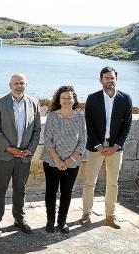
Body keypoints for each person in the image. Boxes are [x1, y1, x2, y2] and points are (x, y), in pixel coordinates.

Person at [0, 73, 41, 236]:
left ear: (26, 85)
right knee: (0, 190)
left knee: (20, 190)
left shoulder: (34, 103)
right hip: (4, 156)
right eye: (16, 83)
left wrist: (30, 150)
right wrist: (9, 148)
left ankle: (19, 219)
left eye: (22, 83)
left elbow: (37, 130)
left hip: (24, 157)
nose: (19, 86)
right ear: (10, 85)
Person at [81, 66, 132, 229]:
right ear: (101, 80)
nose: (110, 80)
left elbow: (127, 124)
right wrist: (98, 145)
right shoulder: (92, 98)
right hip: (95, 147)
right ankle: (86, 214)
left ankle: (110, 216)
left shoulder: (125, 98)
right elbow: (88, 123)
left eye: (112, 78)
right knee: (90, 182)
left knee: (113, 183)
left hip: (115, 148)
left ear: (116, 79)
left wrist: (116, 146)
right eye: (107, 78)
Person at [41, 86, 86, 234]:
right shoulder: (53, 116)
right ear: (59, 100)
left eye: (69, 98)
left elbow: (82, 142)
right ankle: (50, 220)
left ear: (74, 100)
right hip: (52, 162)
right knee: (51, 192)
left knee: (66, 193)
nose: (66, 100)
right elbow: (48, 140)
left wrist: (69, 161)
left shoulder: (80, 117)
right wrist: (58, 161)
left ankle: (62, 221)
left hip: (72, 164)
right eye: (63, 98)